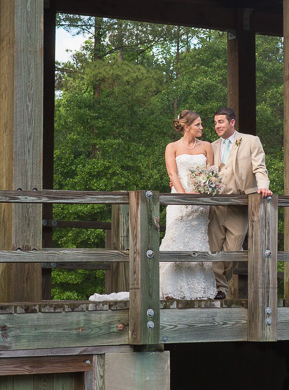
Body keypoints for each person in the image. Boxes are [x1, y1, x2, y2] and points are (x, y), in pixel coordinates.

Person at [90, 110, 217, 302]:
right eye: (198, 124)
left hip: (200, 203)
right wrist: (184, 198)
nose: (202, 128)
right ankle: (170, 288)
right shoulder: (172, 147)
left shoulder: (207, 146)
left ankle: (199, 289)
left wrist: (205, 190)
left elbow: (210, 174)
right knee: (176, 239)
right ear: (187, 127)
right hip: (180, 200)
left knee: (198, 242)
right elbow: (173, 175)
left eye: (201, 124)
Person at [209, 107, 271, 300]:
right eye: (216, 122)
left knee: (233, 250)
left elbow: (260, 167)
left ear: (232, 122)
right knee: (213, 249)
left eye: (221, 122)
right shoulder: (211, 146)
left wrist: (263, 186)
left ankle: (222, 282)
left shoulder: (251, 141)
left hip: (240, 203)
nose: (217, 126)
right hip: (217, 204)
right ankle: (219, 289)